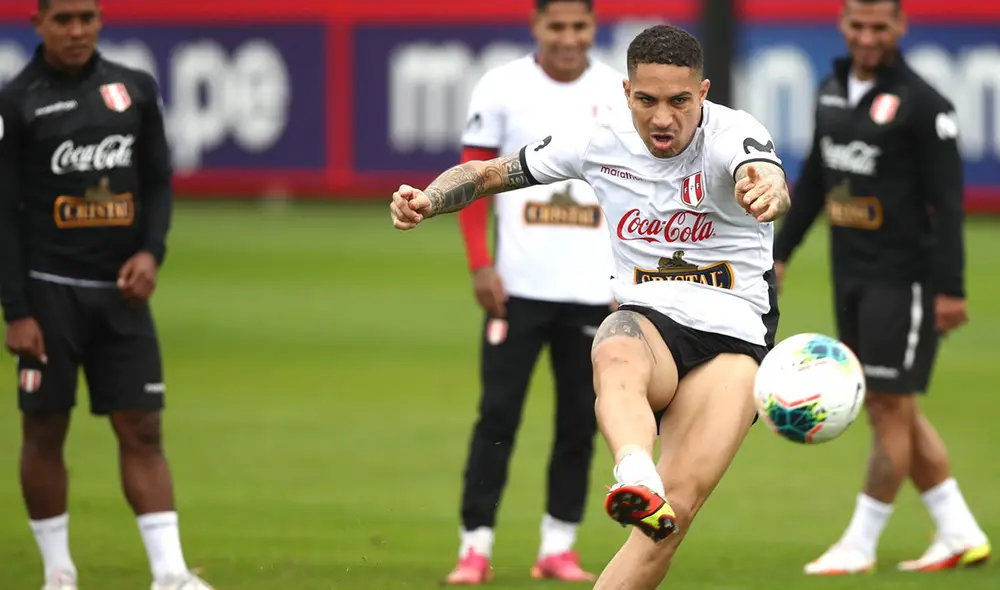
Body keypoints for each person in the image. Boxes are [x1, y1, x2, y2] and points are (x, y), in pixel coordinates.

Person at [391, 24, 790, 590]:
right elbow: (487, 173)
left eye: (679, 101)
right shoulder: (598, 140)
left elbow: (765, 174)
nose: (662, 118)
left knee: (667, 525)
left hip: (734, 338)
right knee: (616, 344)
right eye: (646, 100)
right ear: (626, 91)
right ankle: (635, 473)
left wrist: (769, 190)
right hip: (650, 320)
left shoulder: (734, 133)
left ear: (702, 92)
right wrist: (428, 199)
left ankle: (649, 492)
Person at [772, 0, 991, 575]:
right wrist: (781, 253)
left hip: (905, 279)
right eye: (858, 25)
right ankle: (959, 532)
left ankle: (860, 544)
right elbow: (816, 180)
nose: (868, 36)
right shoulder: (831, 90)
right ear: (843, 25)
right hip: (851, 276)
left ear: (900, 27)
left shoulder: (925, 104)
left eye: (879, 26)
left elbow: (948, 203)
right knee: (893, 406)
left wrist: (950, 289)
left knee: (889, 406)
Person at [0, 1, 212, 589]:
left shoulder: (134, 89)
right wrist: (16, 309)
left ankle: (170, 573)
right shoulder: (17, 101)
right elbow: (4, 213)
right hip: (49, 292)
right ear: (38, 24)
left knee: (142, 428)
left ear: (99, 21)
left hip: (122, 296)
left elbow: (159, 182)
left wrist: (151, 254)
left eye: (87, 17)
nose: (77, 30)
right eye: (63, 19)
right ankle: (58, 572)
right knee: (45, 430)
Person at [446, 0, 623, 583]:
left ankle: (558, 547)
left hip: (595, 293)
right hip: (517, 289)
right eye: (557, 26)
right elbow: (472, 176)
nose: (569, 38)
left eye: (580, 26)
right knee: (497, 417)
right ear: (536, 25)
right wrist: (480, 264)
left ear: (593, 27)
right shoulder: (502, 86)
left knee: (579, 423)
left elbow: (635, 190)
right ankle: (475, 547)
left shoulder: (618, 92)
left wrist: (625, 280)